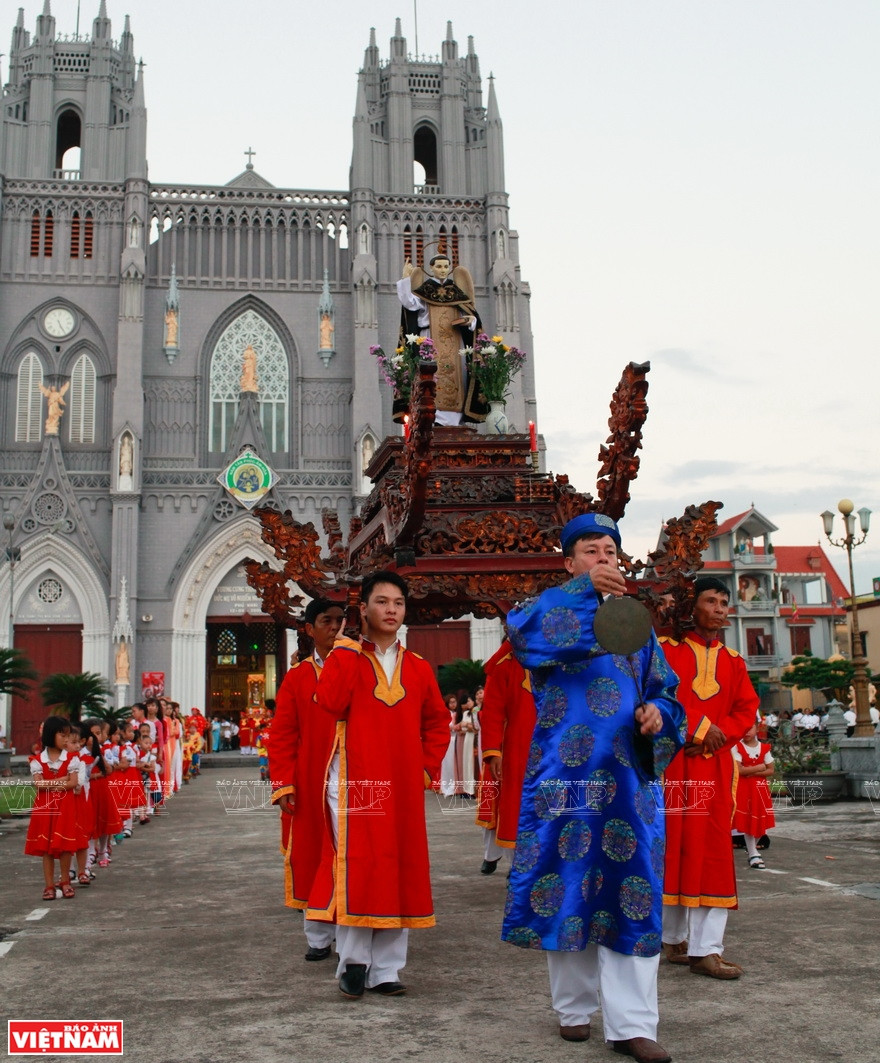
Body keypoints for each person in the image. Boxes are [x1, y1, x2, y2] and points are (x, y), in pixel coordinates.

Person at [503, 513, 685, 1063]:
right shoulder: (547, 611)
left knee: (632, 890)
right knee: (567, 884)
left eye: (611, 550)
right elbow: (524, 634)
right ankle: (574, 1010)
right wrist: (582, 591)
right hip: (568, 777)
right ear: (569, 561)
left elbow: (667, 689)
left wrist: (659, 712)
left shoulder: (638, 626)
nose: (604, 558)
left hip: (628, 782)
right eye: (590, 550)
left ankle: (633, 1025)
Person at [306, 571, 449, 999]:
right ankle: (353, 963)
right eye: (382, 602)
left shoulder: (420, 668)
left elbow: (437, 723)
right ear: (363, 608)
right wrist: (347, 648)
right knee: (360, 863)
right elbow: (329, 703)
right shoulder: (343, 656)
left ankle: (387, 969)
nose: (391, 610)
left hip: (403, 784)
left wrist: (425, 768)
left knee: (400, 865)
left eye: (398, 603)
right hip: (354, 780)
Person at [660, 576, 759, 980]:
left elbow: (745, 709)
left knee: (713, 851)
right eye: (710, 600)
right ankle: (671, 939)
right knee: (670, 848)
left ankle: (706, 949)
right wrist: (697, 729)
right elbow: (656, 696)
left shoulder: (734, 660)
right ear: (692, 606)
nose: (719, 608)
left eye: (724, 602)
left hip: (714, 766)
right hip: (669, 763)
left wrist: (718, 737)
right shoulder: (665, 650)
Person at [269, 598, 345, 961]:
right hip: (312, 779)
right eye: (326, 621)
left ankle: (354, 933)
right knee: (315, 854)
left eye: (339, 621)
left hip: (356, 778)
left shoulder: (361, 668)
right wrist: (283, 782)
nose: (334, 628)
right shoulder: (297, 677)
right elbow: (283, 733)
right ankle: (318, 935)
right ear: (309, 629)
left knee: (353, 856)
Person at [397, 254, 484, 424]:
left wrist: (471, 321)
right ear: (431, 269)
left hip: (454, 341)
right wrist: (406, 279)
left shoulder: (456, 292)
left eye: (446, 266)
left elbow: (471, 316)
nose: (443, 270)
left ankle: (454, 421)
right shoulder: (425, 291)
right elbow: (409, 303)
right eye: (439, 266)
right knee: (431, 377)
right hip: (430, 340)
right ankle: (432, 417)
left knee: (456, 379)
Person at [475, 639, 536, 875]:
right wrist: (493, 751)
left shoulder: (557, 661)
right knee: (508, 807)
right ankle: (510, 862)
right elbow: (491, 712)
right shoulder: (504, 664)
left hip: (550, 750)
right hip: (513, 750)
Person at [25, 716, 84, 900]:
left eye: (68, 736)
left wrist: (51, 783)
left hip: (65, 806)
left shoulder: (72, 758)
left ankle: (65, 881)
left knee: (65, 845)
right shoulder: (37, 760)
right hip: (45, 807)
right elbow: (38, 785)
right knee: (46, 846)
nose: (66, 740)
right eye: (63, 735)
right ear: (51, 735)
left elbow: (73, 782)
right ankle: (49, 885)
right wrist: (61, 780)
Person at [732, 722, 775, 869]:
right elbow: (739, 770)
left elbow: (770, 770)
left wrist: (751, 771)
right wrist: (759, 767)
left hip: (760, 789)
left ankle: (752, 849)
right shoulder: (737, 747)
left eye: (750, 727)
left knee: (760, 821)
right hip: (745, 789)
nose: (747, 731)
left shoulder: (764, 748)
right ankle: (753, 853)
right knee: (748, 820)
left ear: (757, 728)